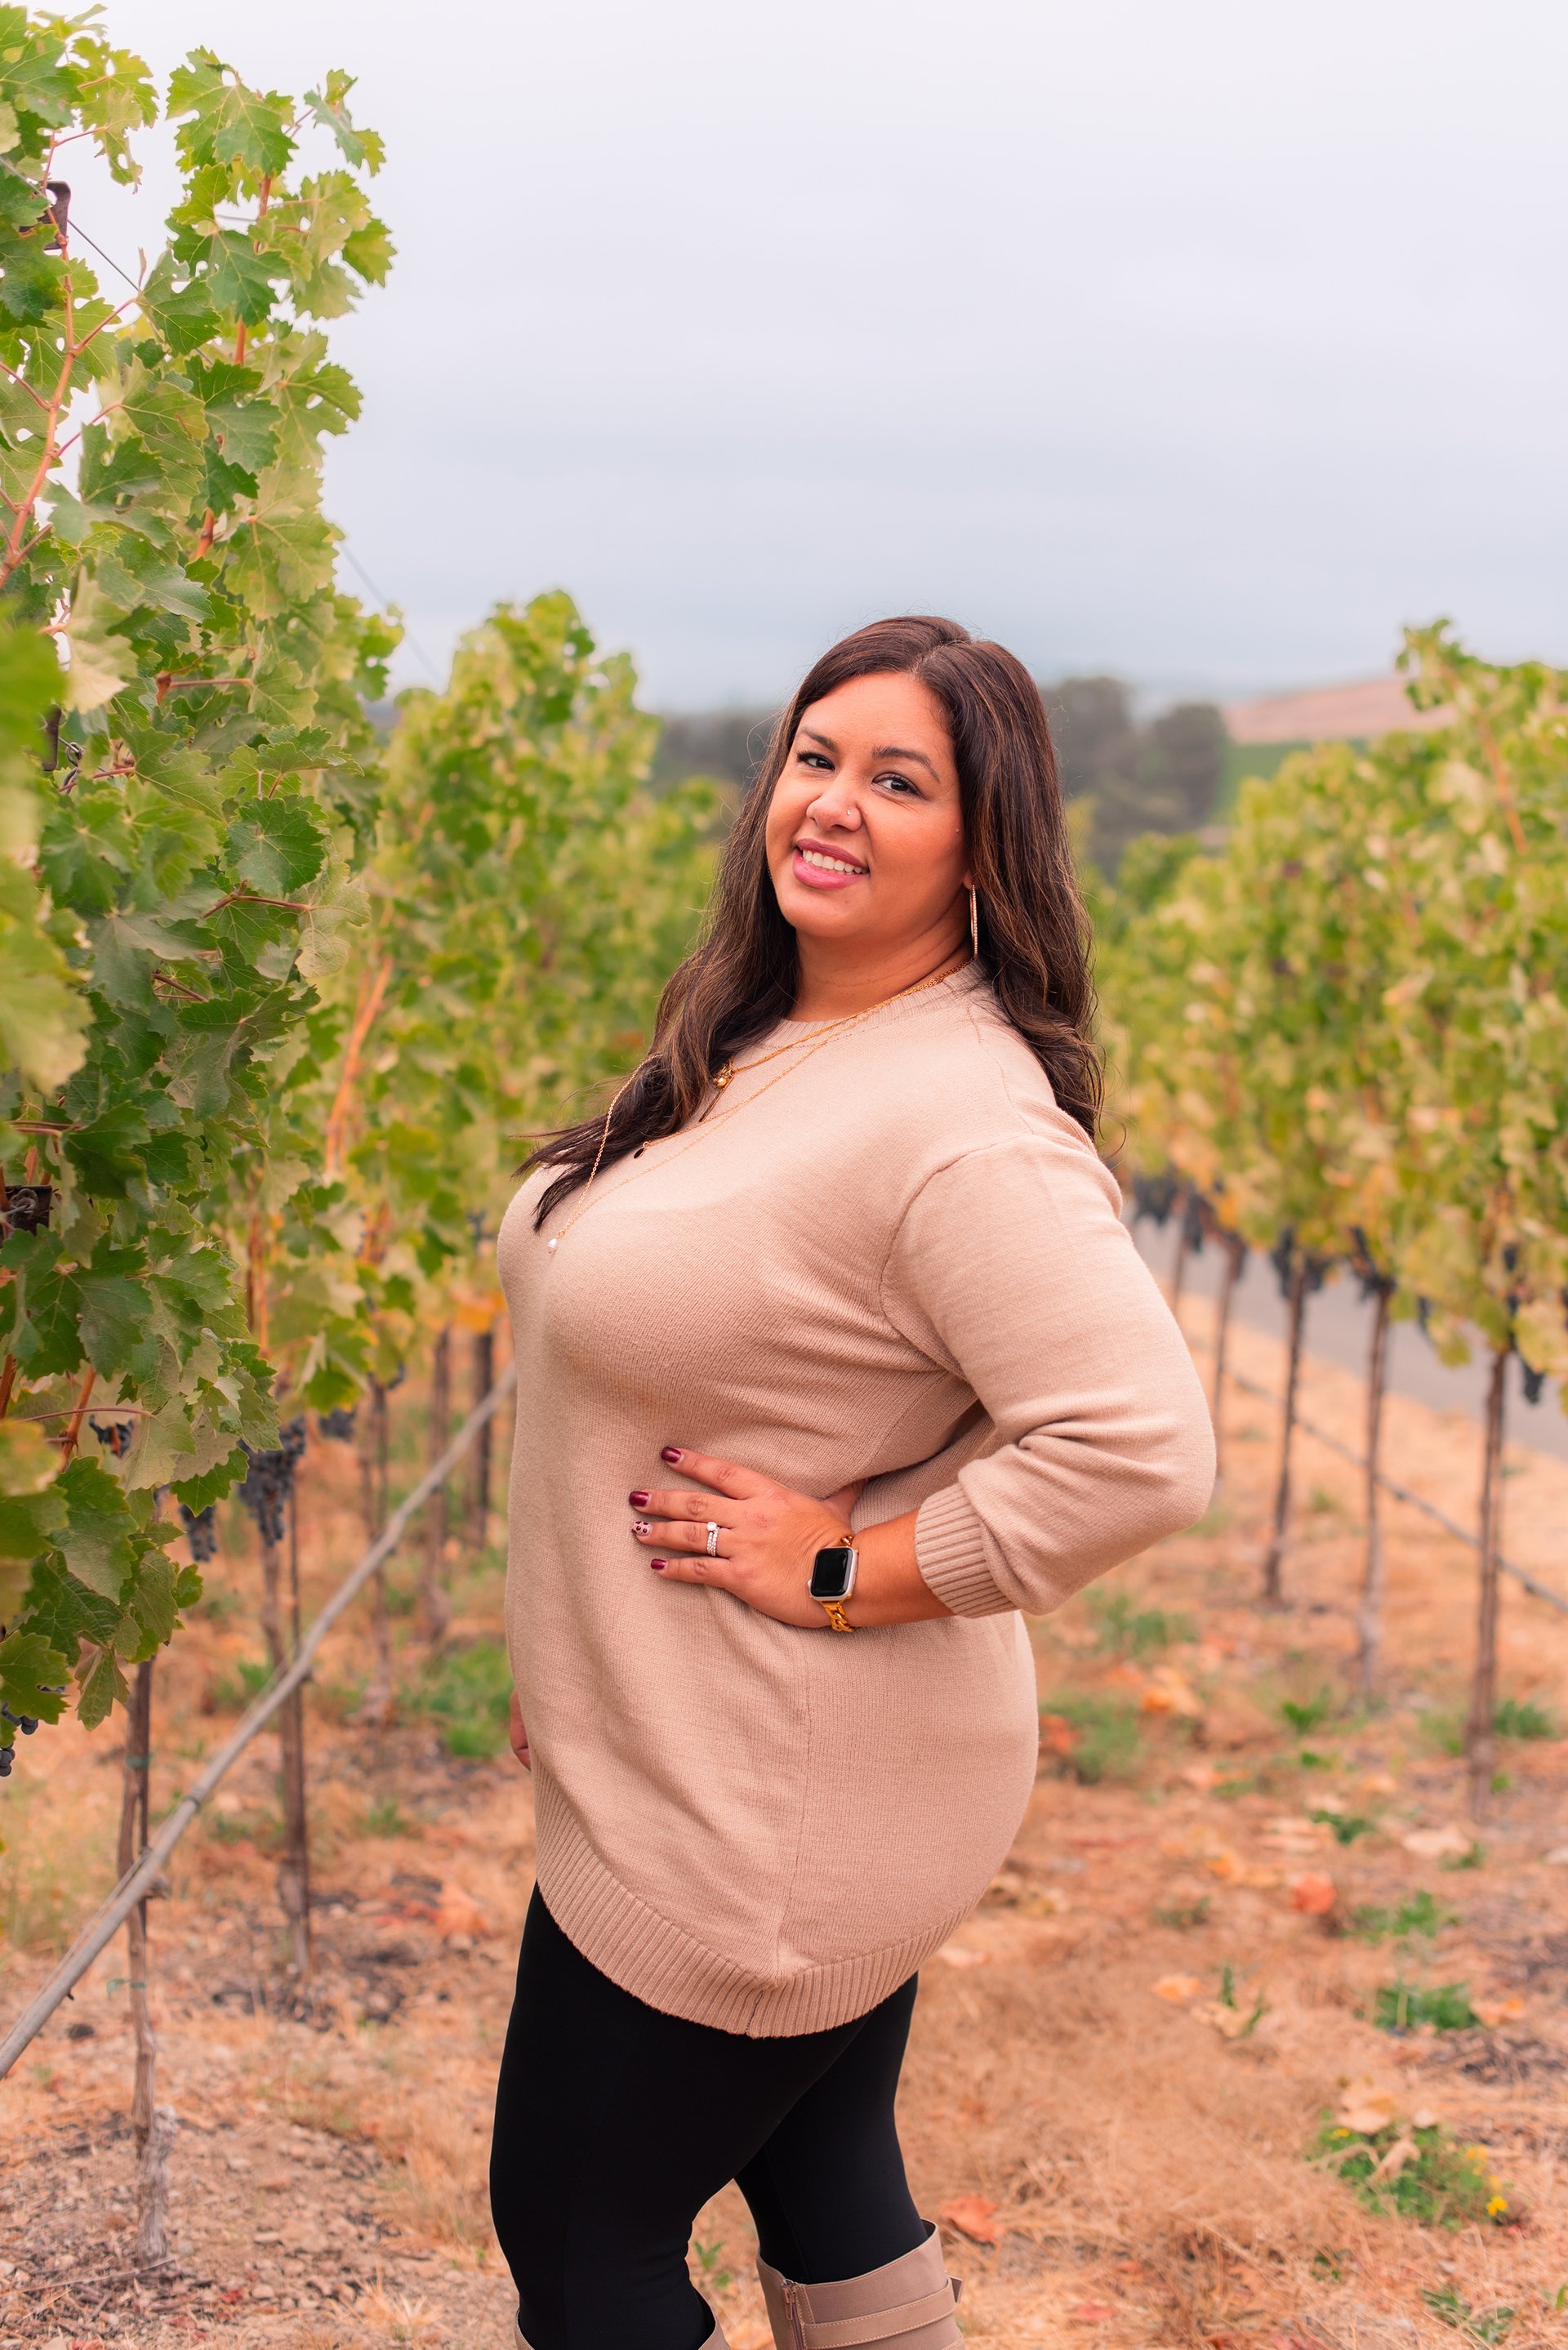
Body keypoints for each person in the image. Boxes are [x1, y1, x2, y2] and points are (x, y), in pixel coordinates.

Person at [490, 615, 1214, 2350]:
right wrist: (574, 1646)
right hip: (718, 1750)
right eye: (817, 757)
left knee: (582, 2249)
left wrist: (845, 1564)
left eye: (900, 781)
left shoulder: (963, 1120)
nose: (832, 802)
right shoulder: (782, 1035)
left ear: (982, 846)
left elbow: (1141, 1445)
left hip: (766, 1809)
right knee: (825, 2180)